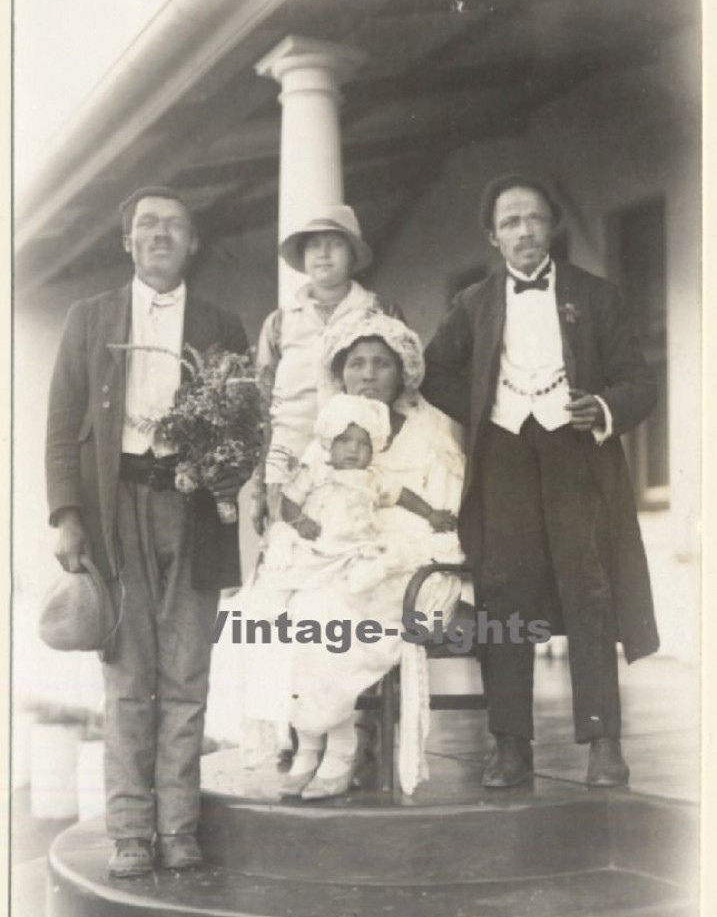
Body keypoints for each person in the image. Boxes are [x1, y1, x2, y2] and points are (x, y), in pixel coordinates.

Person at [422, 174, 659, 789]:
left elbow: (639, 382)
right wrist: (484, 409)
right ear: (492, 237)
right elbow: (433, 371)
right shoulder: (473, 303)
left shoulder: (598, 296)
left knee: (590, 589)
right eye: (509, 222)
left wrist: (602, 407)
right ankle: (510, 745)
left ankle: (603, 740)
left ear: (551, 227)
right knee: (504, 598)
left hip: (576, 455)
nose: (523, 231)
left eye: (533, 218)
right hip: (502, 458)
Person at [45, 185, 250, 877]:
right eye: (146, 225)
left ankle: (179, 827)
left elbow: (245, 429)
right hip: (115, 510)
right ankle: (131, 830)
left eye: (174, 226)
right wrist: (68, 515)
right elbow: (60, 430)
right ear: (126, 241)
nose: (159, 234)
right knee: (129, 678)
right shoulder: (88, 318)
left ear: (193, 243)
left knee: (187, 674)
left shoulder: (223, 324)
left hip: (191, 510)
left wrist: (223, 472)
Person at [221, 313, 465, 799]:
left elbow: (438, 513)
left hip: (406, 562)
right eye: (356, 364)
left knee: (322, 611)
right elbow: (304, 502)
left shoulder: (429, 432)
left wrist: (383, 553)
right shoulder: (331, 434)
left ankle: (339, 744)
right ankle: (308, 741)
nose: (368, 375)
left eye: (381, 364)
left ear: (402, 373)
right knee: (267, 609)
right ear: (340, 372)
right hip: (335, 556)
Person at [252, 203, 401, 535]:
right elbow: (262, 405)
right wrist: (260, 487)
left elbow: (401, 391)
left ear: (352, 255)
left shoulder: (378, 312)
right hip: (289, 462)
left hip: (355, 464)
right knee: (287, 557)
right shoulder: (280, 322)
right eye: (314, 245)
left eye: (334, 244)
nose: (323, 254)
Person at [262, 392, 457, 596]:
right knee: (298, 566)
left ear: (374, 449)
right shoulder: (316, 471)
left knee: (372, 563)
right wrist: (300, 521)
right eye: (344, 441)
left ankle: (360, 581)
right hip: (320, 541)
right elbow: (289, 500)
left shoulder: (373, 477)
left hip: (358, 545)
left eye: (363, 444)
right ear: (330, 443)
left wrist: (430, 513)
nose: (354, 450)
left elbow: (402, 495)